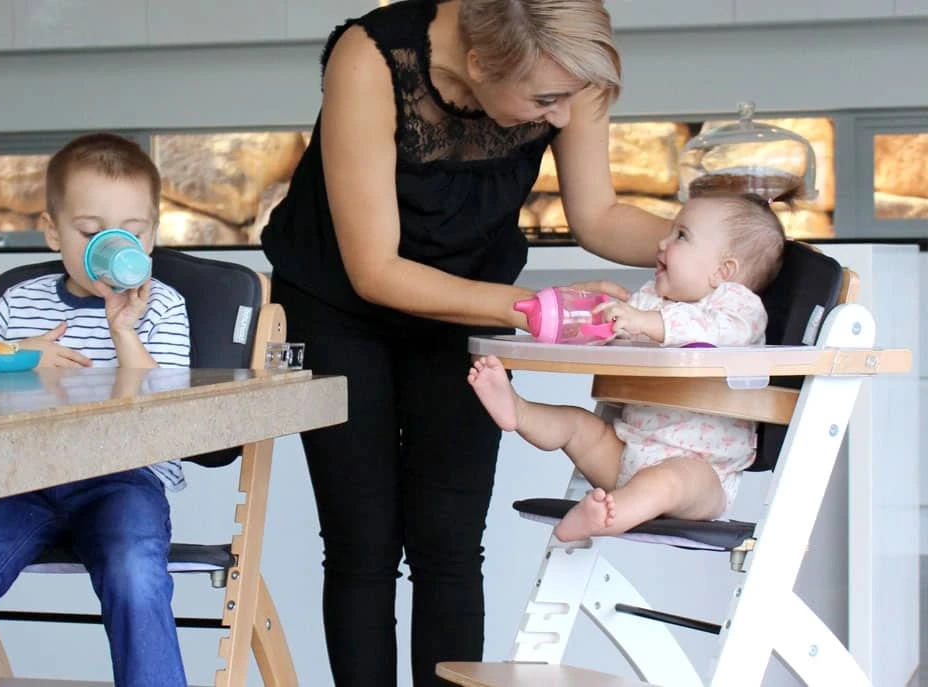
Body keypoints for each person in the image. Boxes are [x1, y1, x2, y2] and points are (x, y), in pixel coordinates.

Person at [258, 1, 671, 684]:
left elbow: (598, 216)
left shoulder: (567, 62)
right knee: (361, 544)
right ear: (480, 64)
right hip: (337, 302)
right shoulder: (368, 59)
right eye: (546, 101)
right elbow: (375, 270)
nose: (563, 117)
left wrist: (712, 242)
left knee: (449, 542)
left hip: (469, 301)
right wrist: (532, 310)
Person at [0, 133, 191, 687]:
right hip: (25, 479)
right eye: (90, 231)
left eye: (132, 233)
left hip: (122, 478)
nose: (112, 246)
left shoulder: (161, 306)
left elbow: (169, 413)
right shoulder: (20, 302)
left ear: (152, 235)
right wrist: (17, 355)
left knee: (135, 571)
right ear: (53, 231)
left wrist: (124, 332)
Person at [469, 193, 787, 541]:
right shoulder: (650, 299)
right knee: (576, 425)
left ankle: (607, 516)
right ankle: (518, 411)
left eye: (681, 236)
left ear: (723, 272)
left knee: (668, 481)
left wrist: (648, 322)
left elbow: (720, 332)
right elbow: (614, 333)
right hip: (627, 452)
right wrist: (591, 321)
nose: (662, 242)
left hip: (701, 472)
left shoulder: (737, 307)